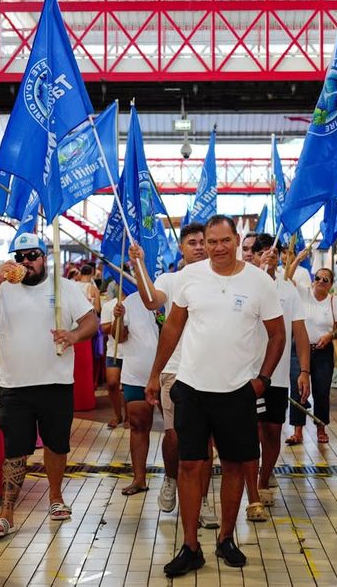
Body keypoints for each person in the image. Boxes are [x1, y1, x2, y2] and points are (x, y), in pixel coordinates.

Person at [145, 215, 285, 576]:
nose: (218, 247)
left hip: (238, 390)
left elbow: (278, 335)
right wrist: (155, 374)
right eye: (212, 241)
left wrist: (262, 379)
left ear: (237, 240)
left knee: (236, 465)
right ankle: (190, 546)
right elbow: (172, 328)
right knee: (191, 465)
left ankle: (225, 538)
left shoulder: (259, 282)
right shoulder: (190, 277)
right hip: (191, 387)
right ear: (203, 244)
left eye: (225, 240)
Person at [0, 232, 97, 534]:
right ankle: (7, 513)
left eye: (32, 256)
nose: (26, 263)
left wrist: (73, 336)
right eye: (20, 257)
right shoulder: (2, 290)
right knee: (15, 450)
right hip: (15, 385)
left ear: (44, 258)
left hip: (55, 382)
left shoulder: (65, 288)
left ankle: (55, 498)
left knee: (56, 445)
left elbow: (90, 322)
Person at [129, 223, 218, 529]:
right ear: (181, 247)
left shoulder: (219, 278)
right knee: (175, 437)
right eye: (192, 242)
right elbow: (152, 300)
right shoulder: (172, 278)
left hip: (210, 370)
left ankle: (204, 502)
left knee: (205, 442)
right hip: (174, 371)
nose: (199, 247)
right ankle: (169, 477)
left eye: (202, 242)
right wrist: (138, 265)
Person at [245, 234, 311, 522]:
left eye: (271, 251)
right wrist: (261, 274)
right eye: (260, 251)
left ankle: (263, 479)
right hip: (243, 374)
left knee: (272, 431)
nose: (266, 255)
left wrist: (305, 371)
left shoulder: (288, 290)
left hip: (277, 375)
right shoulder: (244, 283)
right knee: (248, 434)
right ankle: (252, 494)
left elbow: (300, 333)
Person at [110, 286, 159, 496]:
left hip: (172, 373)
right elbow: (119, 338)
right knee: (138, 425)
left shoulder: (171, 294)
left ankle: (177, 480)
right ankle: (139, 479)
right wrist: (117, 319)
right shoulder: (130, 301)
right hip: (137, 375)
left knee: (177, 430)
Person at [287, 266, 337, 446]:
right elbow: (287, 277)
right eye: (318, 278)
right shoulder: (303, 294)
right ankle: (297, 430)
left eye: (325, 280)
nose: (320, 282)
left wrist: (330, 336)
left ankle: (321, 427)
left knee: (321, 391)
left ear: (331, 284)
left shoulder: (333, 301)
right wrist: (298, 260)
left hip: (322, 351)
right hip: (300, 350)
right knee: (297, 388)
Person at [100, 287, 127, 429]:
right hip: (113, 351)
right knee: (112, 383)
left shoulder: (137, 304)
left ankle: (129, 416)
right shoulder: (109, 306)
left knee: (129, 386)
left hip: (131, 353)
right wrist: (117, 320)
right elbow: (103, 329)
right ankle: (117, 414)